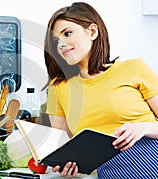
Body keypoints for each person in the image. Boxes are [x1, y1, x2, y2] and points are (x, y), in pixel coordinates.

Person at [43, 1, 158, 178]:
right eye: (56, 40)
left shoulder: (134, 69)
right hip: (109, 172)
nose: (61, 44)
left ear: (93, 32)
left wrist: (143, 128)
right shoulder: (60, 88)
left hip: (150, 160)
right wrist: (66, 163)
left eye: (67, 33)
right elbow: (61, 146)